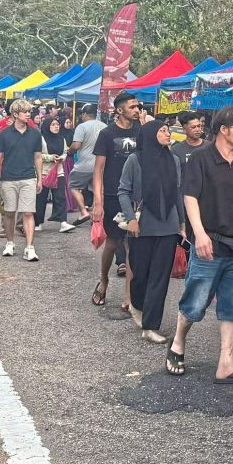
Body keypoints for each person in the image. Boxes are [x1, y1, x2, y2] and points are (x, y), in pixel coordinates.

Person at [169, 105, 233, 385]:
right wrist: (199, 234)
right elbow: (190, 196)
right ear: (223, 129)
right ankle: (178, 343)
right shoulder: (200, 158)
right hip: (209, 244)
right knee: (195, 302)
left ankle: (226, 363)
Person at [119, 119, 185, 344]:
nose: (168, 134)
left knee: (160, 278)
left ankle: (151, 325)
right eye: (163, 131)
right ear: (150, 134)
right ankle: (137, 306)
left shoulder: (173, 160)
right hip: (142, 225)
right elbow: (123, 191)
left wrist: (182, 224)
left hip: (168, 225)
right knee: (140, 275)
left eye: (168, 131)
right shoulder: (135, 160)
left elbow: (177, 194)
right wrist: (130, 219)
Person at [90, 94, 142, 307]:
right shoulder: (107, 134)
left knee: (132, 245)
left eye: (138, 106)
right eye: (132, 107)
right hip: (113, 196)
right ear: (120, 111)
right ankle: (103, 280)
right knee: (112, 242)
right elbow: (98, 169)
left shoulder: (142, 130)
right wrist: (98, 201)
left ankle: (128, 295)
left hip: (136, 198)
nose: (137, 109)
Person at [0, 99, 43, 262]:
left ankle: (29, 247)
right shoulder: (4, 134)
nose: (29, 114)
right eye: (25, 111)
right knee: (9, 213)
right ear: (15, 114)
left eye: (29, 111)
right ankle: (10, 242)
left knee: (28, 212)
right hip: (8, 178)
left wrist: (40, 178)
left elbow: (38, 157)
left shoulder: (35, 133)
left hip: (28, 177)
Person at [35, 116, 74, 233]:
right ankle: (38, 222)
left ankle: (63, 222)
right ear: (47, 126)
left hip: (58, 172)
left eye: (57, 124)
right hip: (44, 173)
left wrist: (61, 157)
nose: (56, 127)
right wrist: (50, 157)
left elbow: (65, 152)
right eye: (53, 125)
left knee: (60, 197)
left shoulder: (62, 138)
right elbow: (37, 155)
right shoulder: (41, 139)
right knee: (40, 199)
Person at [68, 104, 105, 225]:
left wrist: (69, 151)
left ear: (84, 114)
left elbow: (76, 145)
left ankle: (83, 212)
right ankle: (97, 216)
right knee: (98, 190)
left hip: (84, 165)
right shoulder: (104, 126)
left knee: (73, 186)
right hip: (101, 165)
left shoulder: (82, 127)